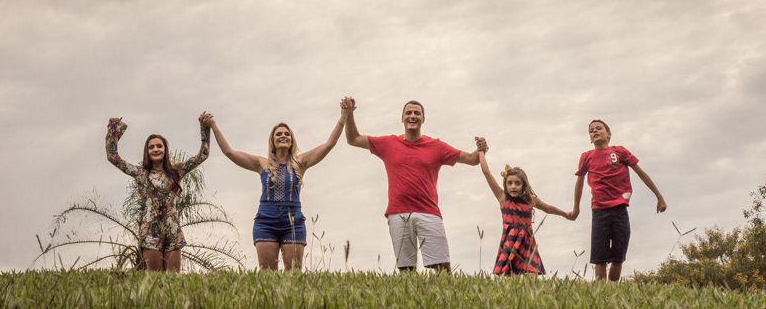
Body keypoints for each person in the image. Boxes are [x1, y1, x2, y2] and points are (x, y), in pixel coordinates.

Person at [342, 96, 487, 273]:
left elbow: (472, 159)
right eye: (408, 113)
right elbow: (353, 139)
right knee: (406, 271)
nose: (412, 116)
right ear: (402, 118)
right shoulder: (388, 143)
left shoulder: (436, 146)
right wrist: (348, 114)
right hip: (398, 213)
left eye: (417, 113)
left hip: (429, 212)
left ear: (423, 119)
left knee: (443, 268)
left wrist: (481, 149)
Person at [198, 103, 348, 271]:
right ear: (273, 140)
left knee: (294, 275)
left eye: (287, 134)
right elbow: (230, 153)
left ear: (291, 140)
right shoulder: (261, 163)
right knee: (268, 276)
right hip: (266, 222)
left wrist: (343, 116)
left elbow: (328, 145)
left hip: (293, 223)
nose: (283, 136)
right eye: (279, 134)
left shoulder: (301, 162)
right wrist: (213, 126)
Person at [105, 116, 211, 272]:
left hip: (173, 229)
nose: (155, 149)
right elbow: (113, 157)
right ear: (147, 152)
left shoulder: (177, 171)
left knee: (173, 280)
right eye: (151, 147)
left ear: (165, 149)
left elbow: (203, 155)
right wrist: (114, 128)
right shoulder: (140, 173)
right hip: (150, 231)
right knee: (156, 279)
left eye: (159, 146)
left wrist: (205, 127)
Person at [570, 118, 666, 281]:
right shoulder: (587, 157)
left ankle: (613, 289)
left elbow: (641, 174)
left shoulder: (620, 152)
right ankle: (601, 290)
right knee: (599, 258)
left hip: (620, 210)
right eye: (591, 131)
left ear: (609, 134)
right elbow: (579, 183)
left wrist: (659, 197)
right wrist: (576, 209)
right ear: (590, 138)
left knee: (618, 256)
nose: (594, 131)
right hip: (599, 211)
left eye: (598, 128)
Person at [477, 150, 575, 276]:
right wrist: (481, 151)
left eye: (517, 183)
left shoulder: (530, 200)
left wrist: (565, 214)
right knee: (510, 277)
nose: (513, 186)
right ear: (505, 185)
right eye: (509, 183)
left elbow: (548, 208)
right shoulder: (503, 198)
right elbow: (486, 173)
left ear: (523, 185)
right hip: (510, 243)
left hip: (527, 243)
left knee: (531, 275)